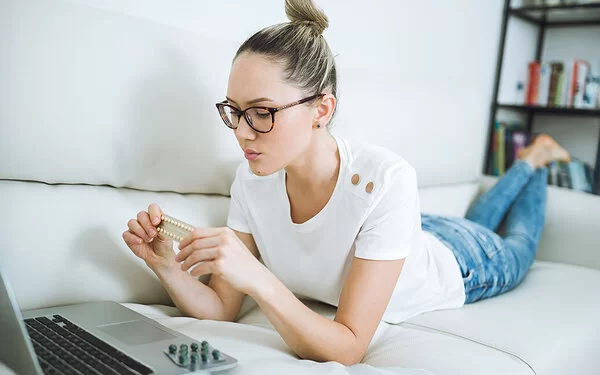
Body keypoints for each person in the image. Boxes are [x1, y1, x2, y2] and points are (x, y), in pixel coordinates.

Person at [122, 0, 572, 365]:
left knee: (515, 240)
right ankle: (530, 161)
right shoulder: (251, 178)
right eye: (235, 111)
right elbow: (221, 308)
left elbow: (349, 345)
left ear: (321, 110)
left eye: (261, 112)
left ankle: (533, 162)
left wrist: (256, 275)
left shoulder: (387, 178)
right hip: (404, 237)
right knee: (470, 221)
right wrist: (164, 265)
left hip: (464, 261)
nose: (241, 131)